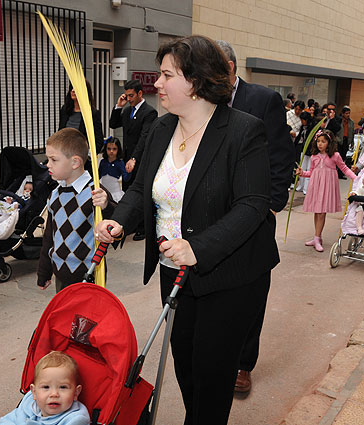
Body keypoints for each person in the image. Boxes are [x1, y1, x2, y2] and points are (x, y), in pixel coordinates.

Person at [96, 35, 279, 425]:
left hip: (229, 273)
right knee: (185, 362)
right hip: (173, 270)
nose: (156, 84)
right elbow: (143, 186)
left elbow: (252, 206)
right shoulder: (162, 129)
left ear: (195, 82)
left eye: (166, 75)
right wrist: (120, 220)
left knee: (213, 374)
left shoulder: (243, 132)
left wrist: (199, 247)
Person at [215, 39, 294, 394]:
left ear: (231, 68)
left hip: (256, 213)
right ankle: (218, 355)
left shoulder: (263, 100)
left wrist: (272, 203)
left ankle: (244, 364)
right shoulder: (206, 102)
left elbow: (280, 154)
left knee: (251, 291)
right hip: (215, 217)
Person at [37, 128, 116, 292]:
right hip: (61, 274)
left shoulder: (95, 192)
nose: (47, 165)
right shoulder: (55, 194)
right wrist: (44, 272)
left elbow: (117, 221)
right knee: (66, 317)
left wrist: (106, 205)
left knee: (88, 317)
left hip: (89, 274)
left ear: (75, 162)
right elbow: (49, 236)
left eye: (53, 160)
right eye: (47, 159)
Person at [109, 79, 158, 241]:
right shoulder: (127, 111)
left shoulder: (149, 112)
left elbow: (144, 138)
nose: (129, 99)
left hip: (141, 158)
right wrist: (118, 106)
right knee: (129, 191)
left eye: (131, 96)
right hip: (128, 158)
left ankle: (143, 228)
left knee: (141, 193)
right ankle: (132, 225)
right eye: (127, 95)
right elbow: (113, 123)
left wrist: (134, 158)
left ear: (140, 94)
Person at [296, 129, 357, 252]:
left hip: (327, 187)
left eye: (323, 141)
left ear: (329, 143)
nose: (320, 144)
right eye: (318, 141)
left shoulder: (335, 155)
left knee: (322, 212)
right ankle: (317, 237)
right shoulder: (314, 156)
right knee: (317, 212)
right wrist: (302, 173)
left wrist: (356, 178)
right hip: (316, 186)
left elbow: (344, 169)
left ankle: (317, 237)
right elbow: (312, 172)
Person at [0, 351, 90, 425]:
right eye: (46, 387)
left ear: (75, 393)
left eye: (63, 387)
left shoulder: (76, 419)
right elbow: (6, 420)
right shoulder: (28, 405)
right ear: (34, 392)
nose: (54, 394)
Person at [58, 81, 104, 154]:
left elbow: (98, 140)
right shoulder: (65, 110)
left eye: (76, 88)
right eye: (72, 88)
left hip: (82, 157)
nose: (73, 90)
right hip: (65, 154)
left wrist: (87, 155)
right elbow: (60, 132)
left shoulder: (92, 113)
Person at [98, 137, 130, 202]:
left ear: (118, 150)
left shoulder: (120, 163)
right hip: (104, 193)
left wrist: (129, 171)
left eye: (114, 149)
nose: (111, 151)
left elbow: (126, 178)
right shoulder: (103, 162)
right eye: (109, 149)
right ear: (105, 149)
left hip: (116, 194)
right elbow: (97, 176)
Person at [335, 106, 354, 178]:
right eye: (346, 113)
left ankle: (340, 173)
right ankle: (335, 172)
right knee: (337, 157)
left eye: (349, 113)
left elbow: (352, 132)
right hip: (339, 140)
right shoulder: (339, 121)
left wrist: (352, 142)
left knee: (343, 158)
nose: (348, 115)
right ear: (343, 114)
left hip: (346, 141)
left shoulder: (351, 122)